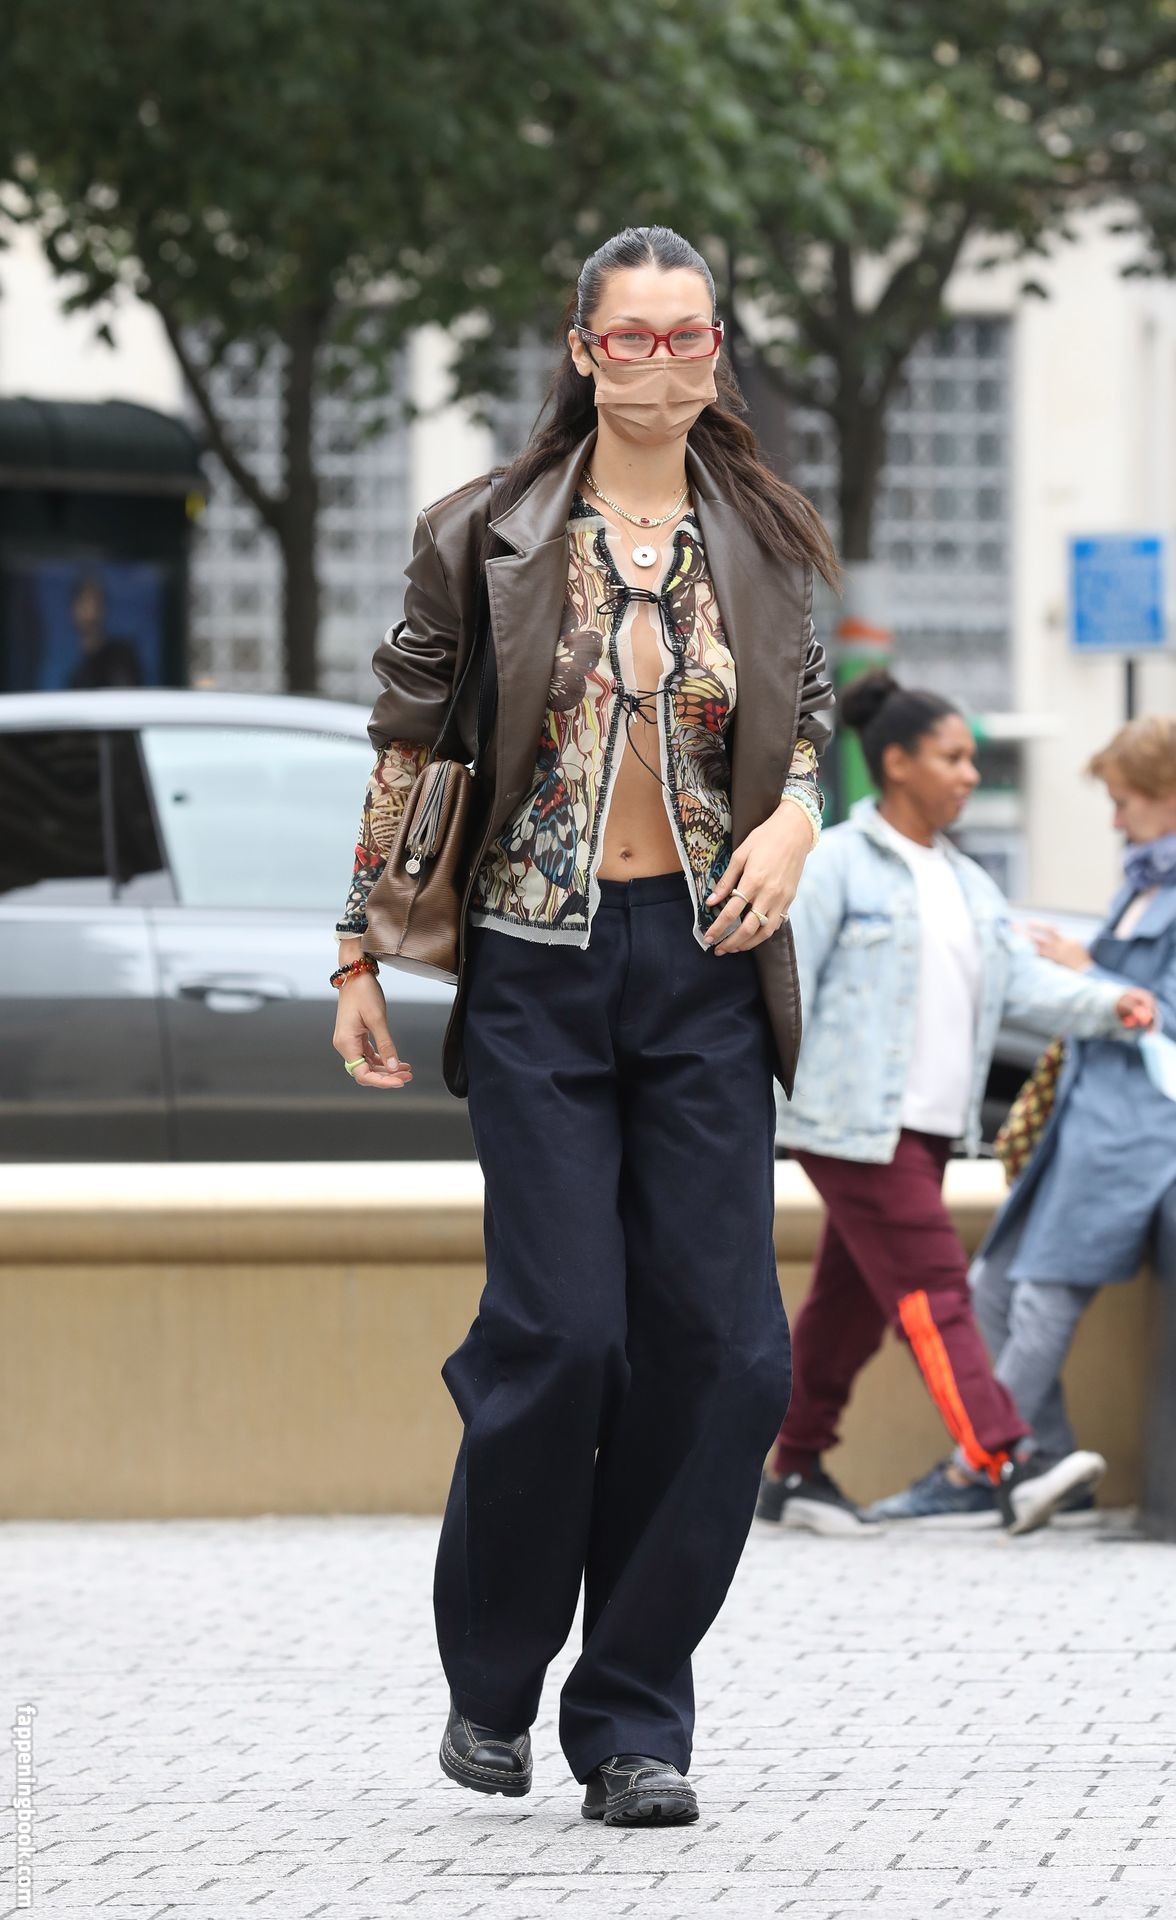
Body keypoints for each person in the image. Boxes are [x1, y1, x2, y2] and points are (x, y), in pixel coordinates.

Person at [330, 226, 838, 1826]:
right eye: (632, 337)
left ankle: (629, 1717)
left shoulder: (766, 534)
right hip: (537, 964)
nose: (662, 363)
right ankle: (492, 1676)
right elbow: (410, 740)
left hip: (704, 969)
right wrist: (356, 951)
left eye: (689, 336)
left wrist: (797, 822)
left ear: (715, 350)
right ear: (581, 350)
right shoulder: (482, 530)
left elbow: (805, 724)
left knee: (731, 1357)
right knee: (561, 1337)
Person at [756, 672, 1157, 1538]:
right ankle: (1004, 1460)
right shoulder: (837, 863)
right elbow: (786, 986)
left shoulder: (968, 881)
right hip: (854, 1124)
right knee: (935, 1289)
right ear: (897, 763)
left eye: (972, 759)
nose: (971, 774)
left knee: (850, 1304)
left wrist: (1110, 1002)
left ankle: (793, 1470)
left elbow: (1021, 981)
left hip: (930, 1127)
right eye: (953, 757)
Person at [950, 717, 1176, 1502]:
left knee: (1043, 1293)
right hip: (1085, 1121)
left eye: (1124, 802)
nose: (1114, 820)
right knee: (991, 1284)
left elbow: (1165, 1011)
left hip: (1135, 1132)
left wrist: (1087, 971)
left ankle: (980, 1466)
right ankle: (1046, 1462)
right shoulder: (1143, 881)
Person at [65, 574, 143, 689]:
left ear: (103, 608)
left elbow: (128, 694)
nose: (90, 610)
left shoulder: (122, 656)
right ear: (73, 610)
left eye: (95, 602)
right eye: (84, 602)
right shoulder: (77, 678)